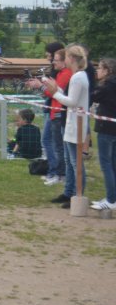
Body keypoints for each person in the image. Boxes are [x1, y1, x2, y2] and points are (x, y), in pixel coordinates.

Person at [43, 45, 90, 209]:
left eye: (67, 57)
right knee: (69, 161)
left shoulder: (78, 77)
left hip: (76, 124)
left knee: (75, 162)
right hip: (72, 123)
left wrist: (55, 93)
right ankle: (69, 192)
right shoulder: (78, 76)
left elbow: (72, 102)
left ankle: (77, 193)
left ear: (72, 59)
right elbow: (69, 97)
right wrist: (56, 89)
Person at [26, 44, 69, 186]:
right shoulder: (60, 73)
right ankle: (54, 172)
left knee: (57, 145)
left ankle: (58, 173)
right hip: (53, 111)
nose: (52, 62)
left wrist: (40, 85)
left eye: (55, 59)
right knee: (51, 142)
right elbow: (52, 92)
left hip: (58, 112)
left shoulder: (65, 74)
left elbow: (55, 93)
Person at [90, 58, 116, 210]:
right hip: (113, 128)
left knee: (106, 164)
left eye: (100, 68)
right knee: (112, 163)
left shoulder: (107, 86)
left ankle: (111, 200)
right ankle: (112, 197)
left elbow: (93, 96)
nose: (97, 71)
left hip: (106, 128)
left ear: (107, 71)